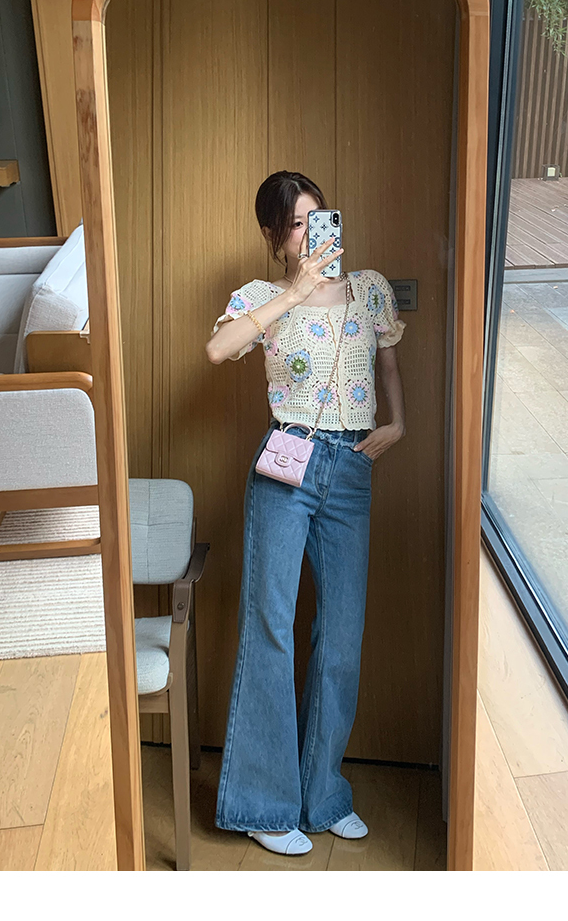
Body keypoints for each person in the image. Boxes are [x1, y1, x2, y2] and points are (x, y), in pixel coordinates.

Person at [206, 170, 406, 856]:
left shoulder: (369, 288)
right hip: (285, 463)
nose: (311, 233)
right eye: (295, 224)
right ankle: (263, 806)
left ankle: (323, 796)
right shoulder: (259, 297)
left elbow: (386, 364)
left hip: (350, 468)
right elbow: (217, 349)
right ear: (275, 236)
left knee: (341, 637)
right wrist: (293, 292)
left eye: (318, 218)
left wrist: (398, 423)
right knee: (270, 628)